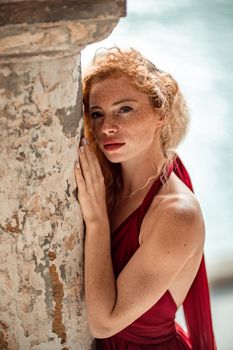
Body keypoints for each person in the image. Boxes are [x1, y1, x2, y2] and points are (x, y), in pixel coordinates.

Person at [74, 48, 217, 349]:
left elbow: (104, 323)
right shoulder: (108, 183)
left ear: (161, 114)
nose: (106, 127)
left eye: (124, 109)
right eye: (97, 113)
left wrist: (98, 220)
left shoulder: (176, 213)